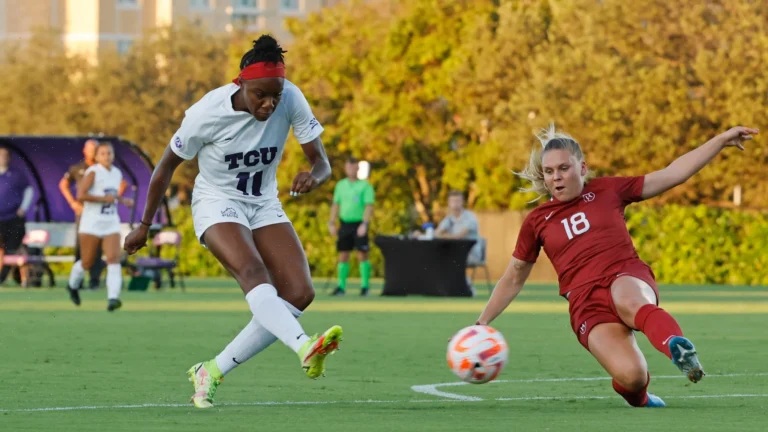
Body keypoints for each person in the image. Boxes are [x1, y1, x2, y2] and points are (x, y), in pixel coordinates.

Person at [123, 35, 343, 409]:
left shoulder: (291, 97)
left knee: (300, 293)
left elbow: (322, 163)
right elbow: (164, 169)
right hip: (216, 202)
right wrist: (145, 224)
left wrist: (314, 177)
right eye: (261, 94)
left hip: (262, 202)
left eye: (275, 94)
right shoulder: (205, 113)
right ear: (241, 83)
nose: (270, 103)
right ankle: (305, 346)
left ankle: (211, 370)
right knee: (254, 273)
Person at [474, 124, 759, 408]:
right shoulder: (537, 221)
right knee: (632, 376)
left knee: (628, 299)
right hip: (586, 303)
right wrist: (482, 323)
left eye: (564, 168)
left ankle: (676, 345)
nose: (556, 177)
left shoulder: (608, 190)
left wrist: (719, 141)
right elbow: (513, 278)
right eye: (549, 172)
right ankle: (641, 397)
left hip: (624, 274)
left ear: (582, 168)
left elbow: (672, 174)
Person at [66, 142, 133, 311]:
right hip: (91, 223)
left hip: (110, 222)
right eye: (103, 154)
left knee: (113, 259)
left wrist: (123, 200)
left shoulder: (117, 173)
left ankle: (113, 297)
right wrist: (104, 199)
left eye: (109, 153)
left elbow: (112, 195)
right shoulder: (93, 172)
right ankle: (72, 285)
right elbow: (81, 195)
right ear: (96, 157)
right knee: (87, 262)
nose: (107, 156)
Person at [59, 139, 109, 289]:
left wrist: (110, 199)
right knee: (80, 247)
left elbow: (121, 183)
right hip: (83, 213)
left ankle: (94, 281)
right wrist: (73, 203)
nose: (93, 152)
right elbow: (63, 184)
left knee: (97, 247)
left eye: (95, 149)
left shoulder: (104, 168)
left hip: (99, 213)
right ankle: (77, 282)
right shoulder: (77, 168)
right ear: (85, 151)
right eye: (90, 149)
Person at [328, 157, 375, 296]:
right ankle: (341, 287)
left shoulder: (365, 186)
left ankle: (365, 287)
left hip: (359, 224)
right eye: (348, 167)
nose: (351, 170)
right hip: (345, 223)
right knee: (343, 254)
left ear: (358, 169)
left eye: (353, 167)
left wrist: (364, 224)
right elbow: (336, 205)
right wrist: (332, 222)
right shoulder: (341, 185)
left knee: (362, 254)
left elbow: (368, 206)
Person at [0, 145, 34, 284]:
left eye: (4, 155)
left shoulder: (17, 174)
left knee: (11, 249)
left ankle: (2, 278)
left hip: (13, 219)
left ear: (9, 157)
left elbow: (29, 190)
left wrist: (23, 208)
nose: (2, 158)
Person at [435, 190, 482, 264]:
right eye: (453, 201)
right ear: (448, 203)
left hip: (471, 254)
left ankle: (461, 276)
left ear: (462, 202)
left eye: (457, 201)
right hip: (455, 252)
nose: (455, 204)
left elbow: (458, 237)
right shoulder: (449, 218)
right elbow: (437, 233)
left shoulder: (470, 217)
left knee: (447, 260)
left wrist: (443, 235)